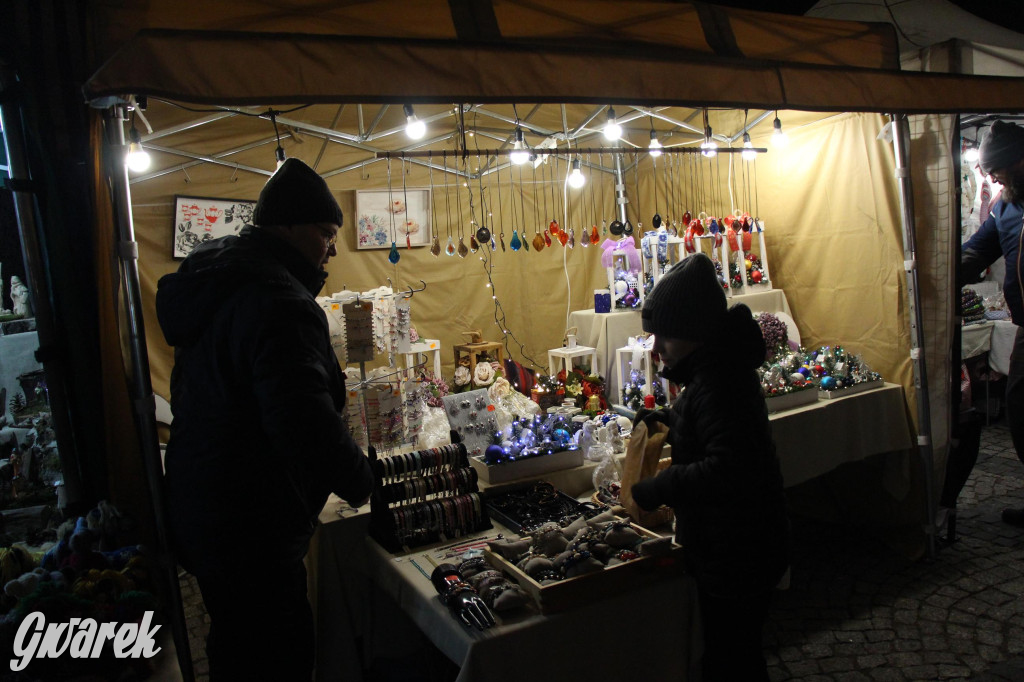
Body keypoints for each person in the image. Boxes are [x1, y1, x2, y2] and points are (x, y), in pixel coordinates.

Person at [156, 158, 374, 681]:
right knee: (276, 653)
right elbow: (303, 420)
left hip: (208, 504)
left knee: (235, 639)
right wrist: (361, 479)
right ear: (288, 227)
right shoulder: (276, 300)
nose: (331, 248)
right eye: (324, 233)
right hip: (248, 518)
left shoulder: (224, 281)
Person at [629, 253, 790, 682]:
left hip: (740, 547)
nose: (658, 346)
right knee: (729, 653)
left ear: (695, 333)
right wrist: (666, 419)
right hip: (732, 543)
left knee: (732, 659)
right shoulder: (712, 370)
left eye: (665, 334)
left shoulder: (720, 380)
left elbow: (728, 468)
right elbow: (707, 423)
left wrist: (663, 485)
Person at [961, 120, 1024, 527]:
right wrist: (946, 271)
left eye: (996, 170)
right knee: (1021, 409)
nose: (992, 178)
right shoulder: (1005, 208)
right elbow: (977, 250)